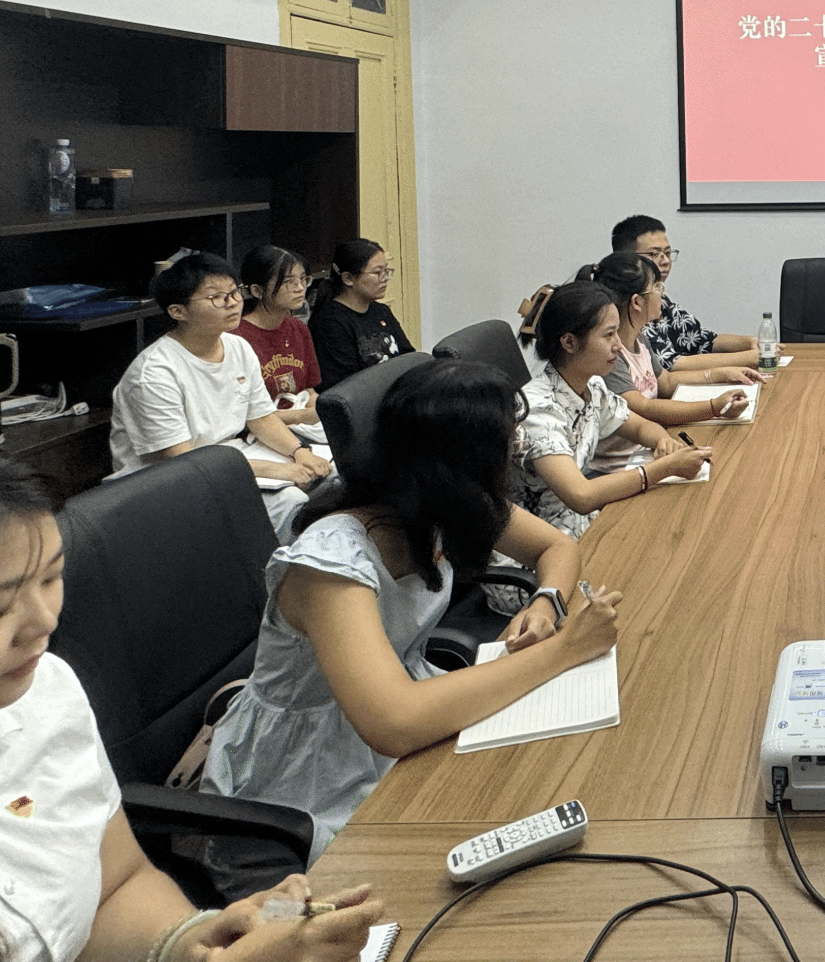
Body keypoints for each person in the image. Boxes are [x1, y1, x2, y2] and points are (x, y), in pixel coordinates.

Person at [0, 435, 382, 961]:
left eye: (51, 578)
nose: (44, 622)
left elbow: (116, 887)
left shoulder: (43, 688)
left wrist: (193, 941)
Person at [202, 360, 621, 859]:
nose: (515, 453)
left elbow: (556, 547)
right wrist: (566, 649)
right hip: (305, 773)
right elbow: (394, 723)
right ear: (462, 464)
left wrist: (546, 602)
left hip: (398, 714)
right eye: (506, 446)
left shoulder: (433, 502)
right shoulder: (332, 564)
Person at [109, 253, 331, 536]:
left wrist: (299, 452)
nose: (233, 303)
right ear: (178, 311)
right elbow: (184, 460)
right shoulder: (153, 374)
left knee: (329, 478)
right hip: (166, 485)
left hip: (227, 460)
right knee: (289, 501)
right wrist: (276, 470)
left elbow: (261, 418)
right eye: (216, 297)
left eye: (234, 292)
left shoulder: (238, 346)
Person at [513, 281, 711, 543]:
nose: (618, 345)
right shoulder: (538, 409)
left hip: (579, 522)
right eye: (608, 335)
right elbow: (581, 496)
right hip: (542, 543)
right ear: (569, 342)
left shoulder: (591, 386)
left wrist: (663, 441)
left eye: (617, 332)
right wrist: (663, 469)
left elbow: (640, 426)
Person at [578, 253, 759, 430]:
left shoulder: (639, 338)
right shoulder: (611, 354)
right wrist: (713, 408)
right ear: (637, 302)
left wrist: (722, 374)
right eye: (657, 287)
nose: (662, 296)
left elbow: (666, 381)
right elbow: (644, 408)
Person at [611, 216, 757, 372]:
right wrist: (750, 358)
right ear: (627, 259)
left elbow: (703, 340)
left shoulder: (660, 300)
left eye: (667, 253)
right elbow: (670, 365)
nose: (665, 261)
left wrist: (752, 342)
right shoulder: (625, 309)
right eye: (654, 254)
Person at [307, 240, 413, 388]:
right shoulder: (329, 322)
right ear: (348, 278)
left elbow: (408, 356)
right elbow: (346, 383)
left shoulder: (381, 311)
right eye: (377, 273)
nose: (385, 279)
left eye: (386, 271)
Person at [235, 246, 319, 428]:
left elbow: (309, 391)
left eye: (303, 279)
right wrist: (302, 416)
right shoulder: (236, 338)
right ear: (257, 290)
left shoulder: (298, 328)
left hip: (301, 423)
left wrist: (321, 411)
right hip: (260, 431)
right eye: (288, 282)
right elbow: (242, 415)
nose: (300, 288)